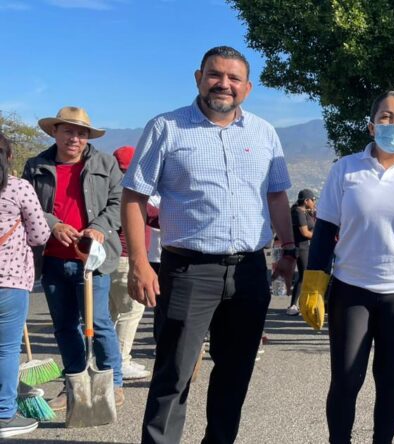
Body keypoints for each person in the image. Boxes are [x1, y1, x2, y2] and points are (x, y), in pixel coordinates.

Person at [120, 45, 296, 444]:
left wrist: (286, 250)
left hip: (249, 270)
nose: (224, 84)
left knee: (235, 374)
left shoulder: (265, 133)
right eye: (215, 74)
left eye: (234, 78)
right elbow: (134, 197)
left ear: (247, 88)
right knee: (174, 375)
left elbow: (276, 197)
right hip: (187, 271)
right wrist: (139, 264)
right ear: (198, 78)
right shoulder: (166, 127)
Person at [298, 91, 394, 444]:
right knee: (346, 379)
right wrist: (312, 285)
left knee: (389, 378)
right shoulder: (346, 169)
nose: (393, 123)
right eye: (385, 116)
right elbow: (324, 232)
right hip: (352, 289)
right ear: (371, 126)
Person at [22, 106, 125, 412]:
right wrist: (54, 225)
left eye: (81, 133)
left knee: (99, 322)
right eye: (68, 131)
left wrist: (97, 228)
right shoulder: (36, 165)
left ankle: (113, 382)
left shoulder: (105, 164)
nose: (75, 138)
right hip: (53, 259)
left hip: (93, 261)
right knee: (65, 326)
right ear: (55, 132)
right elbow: (27, 206)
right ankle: (74, 383)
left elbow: (119, 203)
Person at [0, 131, 51, 438]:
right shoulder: (19, 188)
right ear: (8, 158)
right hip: (10, 283)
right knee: (5, 349)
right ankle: (4, 413)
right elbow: (40, 235)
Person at [108, 146, 151, 381]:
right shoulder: (129, 191)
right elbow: (153, 214)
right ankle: (121, 361)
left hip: (110, 258)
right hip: (126, 258)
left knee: (111, 312)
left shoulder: (108, 187)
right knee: (131, 311)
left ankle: (106, 359)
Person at [285, 188, 316, 315]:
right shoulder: (298, 212)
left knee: (305, 275)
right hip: (301, 247)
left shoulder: (303, 211)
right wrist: (319, 236)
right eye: (313, 200)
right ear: (306, 200)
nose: (314, 202)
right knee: (303, 276)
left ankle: (300, 303)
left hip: (305, 247)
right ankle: (293, 305)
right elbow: (305, 232)